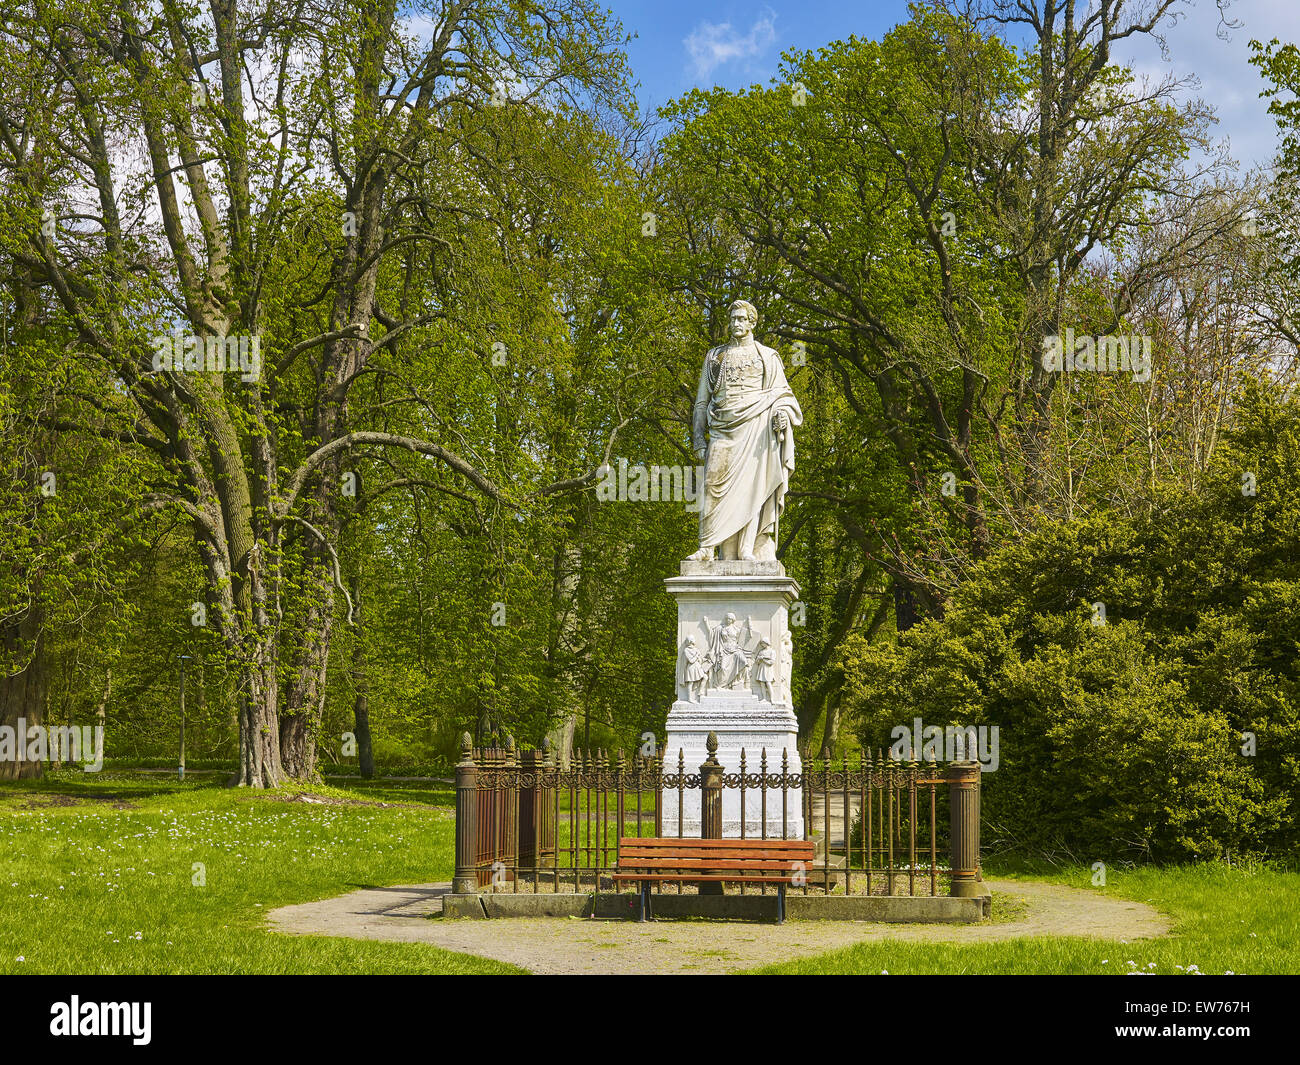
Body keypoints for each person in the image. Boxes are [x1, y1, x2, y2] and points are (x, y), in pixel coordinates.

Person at [688, 299, 802, 562]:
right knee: (711, 485)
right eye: (733, 319)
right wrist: (698, 440)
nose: (736, 324)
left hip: (756, 430)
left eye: (741, 319)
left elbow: (782, 395)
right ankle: (708, 547)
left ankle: (747, 549)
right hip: (722, 429)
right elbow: (702, 401)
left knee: (753, 489)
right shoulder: (715, 356)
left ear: (752, 323)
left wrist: (781, 415)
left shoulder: (768, 356)